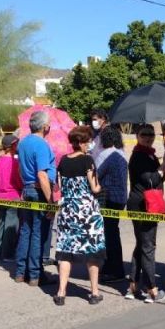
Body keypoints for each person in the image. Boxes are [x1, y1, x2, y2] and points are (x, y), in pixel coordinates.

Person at [53, 126, 106, 306]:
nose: (89, 144)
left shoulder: (63, 161)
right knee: (92, 252)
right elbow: (94, 187)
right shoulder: (88, 160)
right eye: (88, 141)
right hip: (87, 211)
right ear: (82, 142)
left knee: (66, 252)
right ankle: (94, 292)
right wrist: (101, 186)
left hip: (68, 210)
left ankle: (61, 292)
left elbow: (58, 186)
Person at [126, 124, 165, 303]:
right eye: (144, 134)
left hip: (146, 204)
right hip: (142, 206)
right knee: (148, 246)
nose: (148, 137)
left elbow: (159, 181)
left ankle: (133, 285)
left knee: (142, 245)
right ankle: (152, 288)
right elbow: (150, 180)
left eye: (151, 134)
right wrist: (164, 165)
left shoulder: (149, 154)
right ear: (137, 136)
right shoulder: (138, 155)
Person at [16, 110, 56, 286]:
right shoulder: (41, 144)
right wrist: (50, 201)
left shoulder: (23, 143)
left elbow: (20, 169)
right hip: (38, 191)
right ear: (45, 126)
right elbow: (42, 174)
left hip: (27, 189)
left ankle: (20, 272)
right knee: (38, 234)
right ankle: (35, 274)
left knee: (26, 231)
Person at [96, 126, 128, 284]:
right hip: (120, 198)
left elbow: (96, 175)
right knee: (113, 233)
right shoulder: (121, 153)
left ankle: (114, 269)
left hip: (107, 198)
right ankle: (114, 267)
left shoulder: (105, 154)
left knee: (109, 235)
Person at [0, 134, 23, 264]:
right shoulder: (14, 162)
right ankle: (8, 254)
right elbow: (18, 181)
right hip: (12, 196)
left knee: (2, 225)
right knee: (11, 227)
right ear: (13, 146)